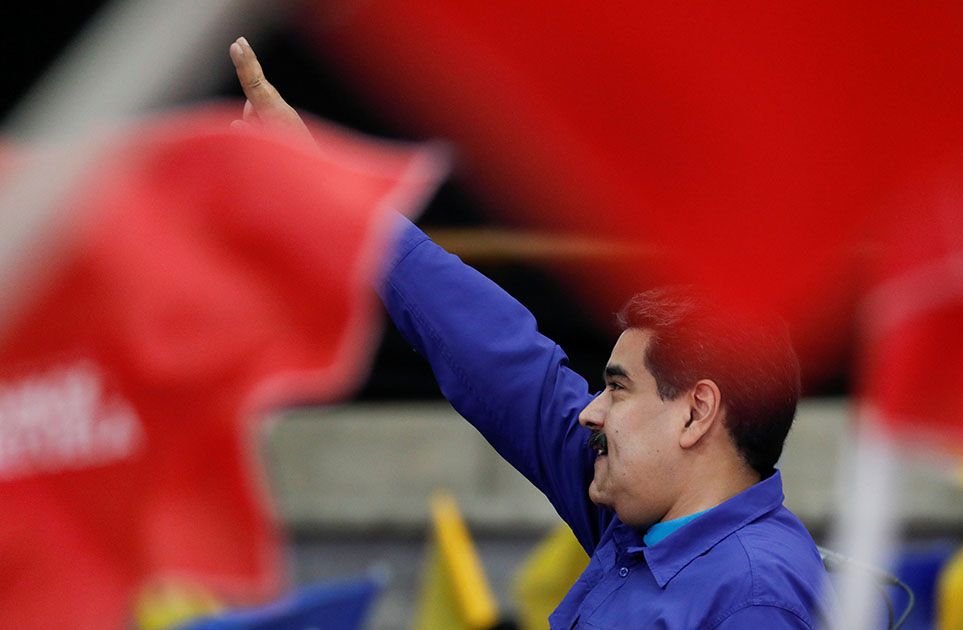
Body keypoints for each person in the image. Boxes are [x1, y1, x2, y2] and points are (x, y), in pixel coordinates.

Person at [229, 36, 833, 629]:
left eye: (619, 389)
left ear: (697, 412)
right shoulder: (642, 523)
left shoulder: (754, 598)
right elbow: (503, 362)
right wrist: (344, 211)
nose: (589, 414)